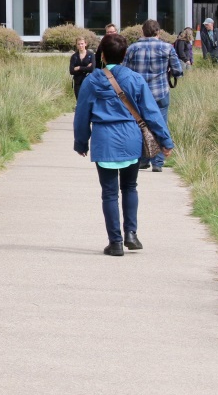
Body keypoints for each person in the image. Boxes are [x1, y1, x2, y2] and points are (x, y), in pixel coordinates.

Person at [74, 33, 174, 256]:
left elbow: (82, 114)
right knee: (130, 187)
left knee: (109, 193)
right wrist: (165, 141)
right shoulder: (135, 79)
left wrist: (81, 142)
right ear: (125, 54)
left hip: (104, 140)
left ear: (101, 53)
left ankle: (115, 242)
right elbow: (151, 113)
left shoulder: (91, 80)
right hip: (131, 138)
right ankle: (131, 234)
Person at [122, 19, 182, 173]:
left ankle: (143, 159)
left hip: (138, 94)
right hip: (160, 92)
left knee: (141, 125)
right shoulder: (167, 48)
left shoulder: (132, 48)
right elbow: (178, 70)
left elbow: (124, 70)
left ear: (142, 32)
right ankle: (158, 161)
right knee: (160, 124)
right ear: (158, 32)